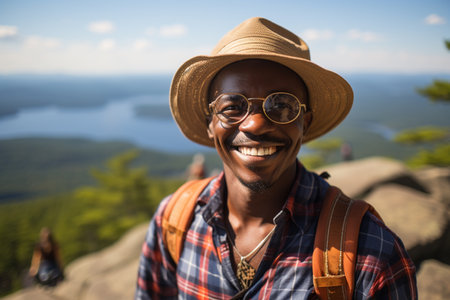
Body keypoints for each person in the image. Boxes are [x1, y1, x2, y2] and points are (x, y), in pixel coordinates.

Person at [136, 17, 417, 299]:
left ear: (304, 123)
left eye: (282, 106)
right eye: (232, 106)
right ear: (210, 123)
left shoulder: (371, 255)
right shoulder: (174, 222)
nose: (255, 125)